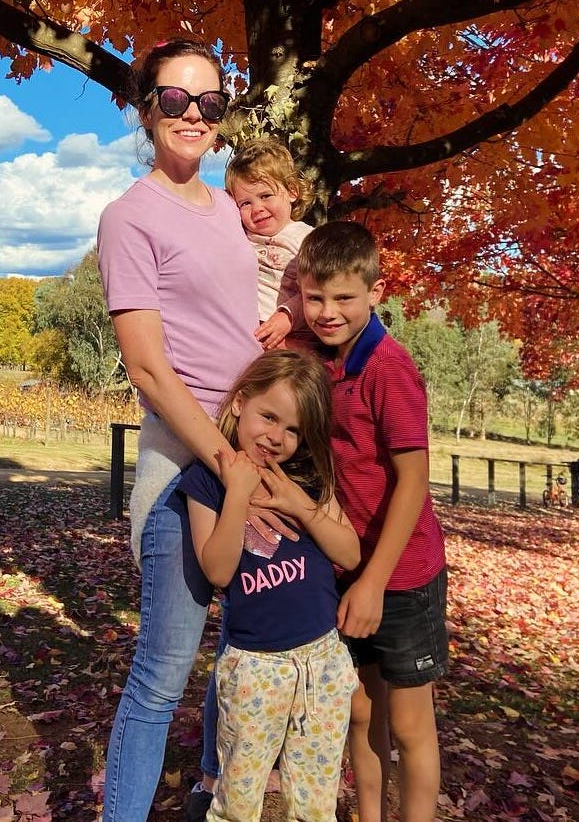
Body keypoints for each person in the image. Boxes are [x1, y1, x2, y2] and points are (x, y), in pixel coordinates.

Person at [97, 38, 267, 822]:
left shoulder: (231, 210)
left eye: (208, 102)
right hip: (186, 463)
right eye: (174, 99)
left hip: (250, 456)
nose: (192, 114)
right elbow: (148, 368)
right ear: (145, 110)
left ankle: (207, 792)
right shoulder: (129, 218)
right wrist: (225, 459)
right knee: (162, 675)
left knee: (243, 651)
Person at [294, 222, 449, 822]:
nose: (327, 312)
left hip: (401, 573)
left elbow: (413, 480)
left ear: (375, 293)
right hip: (342, 563)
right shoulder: (311, 358)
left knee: (408, 724)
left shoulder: (389, 368)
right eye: (314, 297)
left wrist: (374, 583)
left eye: (343, 298)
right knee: (359, 713)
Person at [179, 350, 360, 822]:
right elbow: (218, 571)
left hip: (322, 662)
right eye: (269, 417)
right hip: (255, 669)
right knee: (237, 801)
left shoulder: (309, 477)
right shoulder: (207, 480)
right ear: (240, 402)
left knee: (316, 803)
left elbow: (349, 553)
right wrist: (238, 493)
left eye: (294, 429)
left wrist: (302, 506)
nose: (278, 437)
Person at [225, 138, 317, 351]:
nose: (257, 208)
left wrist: (287, 317)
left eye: (265, 196)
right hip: (249, 335)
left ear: (292, 192)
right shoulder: (241, 237)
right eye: (245, 203)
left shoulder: (307, 239)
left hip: (296, 332)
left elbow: (320, 289)